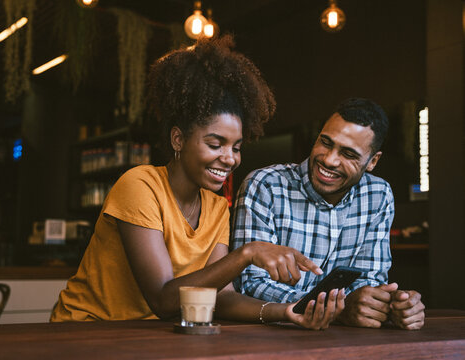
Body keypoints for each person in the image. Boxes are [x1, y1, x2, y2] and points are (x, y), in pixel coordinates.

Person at [51, 36, 346, 330]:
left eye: (236, 147)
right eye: (216, 144)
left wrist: (286, 311)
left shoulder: (217, 207)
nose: (229, 158)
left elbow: (221, 297)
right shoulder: (140, 186)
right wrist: (247, 253)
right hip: (84, 329)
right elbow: (163, 299)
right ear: (178, 138)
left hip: (143, 337)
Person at [232, 98, 425, 330]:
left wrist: (392, 304)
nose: (329, 159)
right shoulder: (266, 185)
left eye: (348, 154)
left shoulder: (378, 194)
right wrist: (339, 309)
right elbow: (249, 284)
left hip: (342, 342)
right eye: (325, 142)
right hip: (271, 338)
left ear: (373, 161)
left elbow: (369, 281)